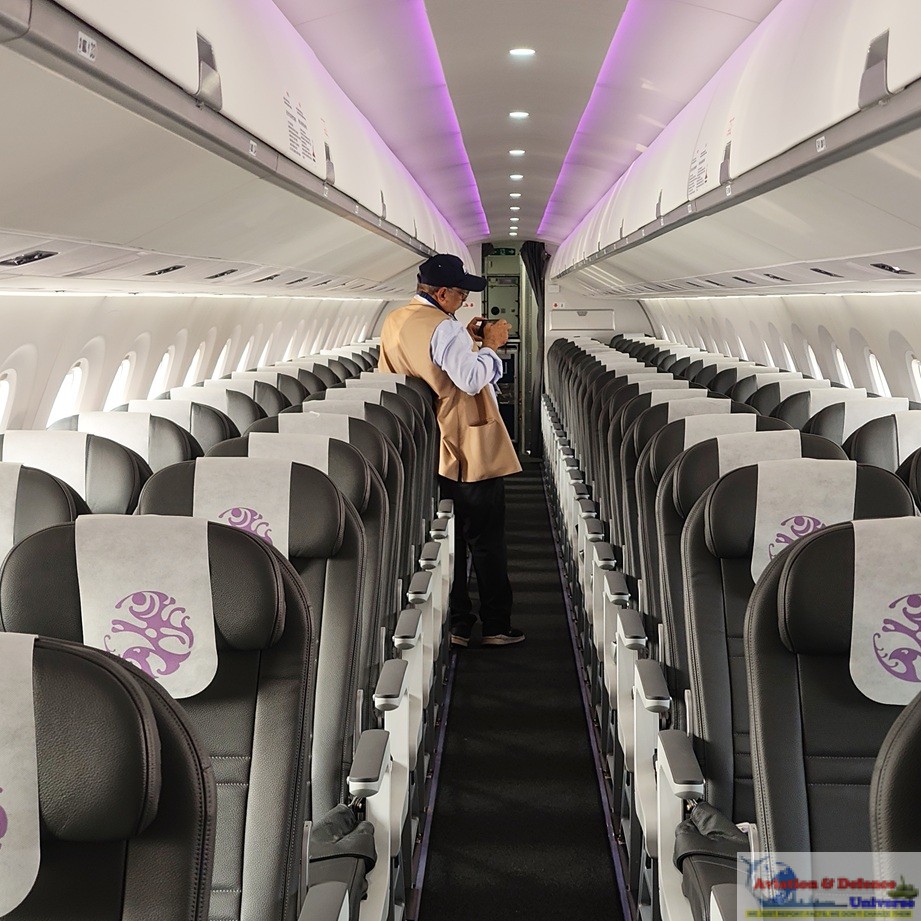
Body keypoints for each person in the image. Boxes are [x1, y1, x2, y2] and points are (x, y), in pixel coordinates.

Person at [378, 253, 524, 646]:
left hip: (423, 444)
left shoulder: (394, 320)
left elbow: (428, 369)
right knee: (486, 539)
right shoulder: (445, 328)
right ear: (441, 293)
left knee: (449, 537)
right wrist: (491, 346)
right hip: (466, 447)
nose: (464, 300)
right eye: (460, 293)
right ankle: (495, 625)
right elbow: (471, 380)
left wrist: (469, 338)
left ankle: (458, 624)